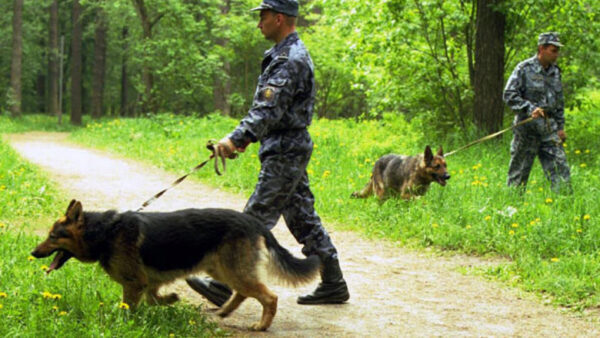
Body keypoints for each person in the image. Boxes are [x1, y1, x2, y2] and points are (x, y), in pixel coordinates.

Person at [186, 0, 350, 305]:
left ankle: (222, 285)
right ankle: (334, 282)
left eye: (263, 17)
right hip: (285, 145)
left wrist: (235, 139)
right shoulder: (282, 55)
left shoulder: (289, 59)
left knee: (252, 219)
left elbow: (267, 110)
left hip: (286, 148)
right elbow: (273, 112)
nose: (259, 23)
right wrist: (245, 141)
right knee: (302, 216)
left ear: (279, 18)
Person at [503, 32, 571, 193]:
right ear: (542, 48)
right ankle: (510, 212)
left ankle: (564, 209)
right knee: (518, 177)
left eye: (557, 51)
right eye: (553, 50)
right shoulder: (524, 69)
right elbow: (509, 94)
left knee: (561, 172)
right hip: (527, 131)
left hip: (549, 130)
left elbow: (559, 102)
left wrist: (560, 127)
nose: (557, 54)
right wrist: (529, 108)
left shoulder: (555, 72)